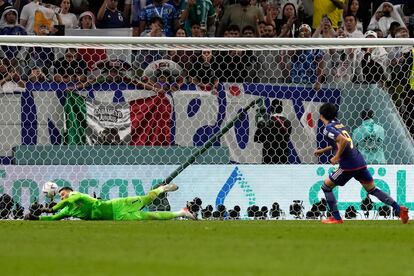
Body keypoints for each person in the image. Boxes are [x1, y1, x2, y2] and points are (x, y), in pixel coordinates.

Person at [314, 103, 409, 224]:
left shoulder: (327, 129)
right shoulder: (338, 123)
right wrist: (323, 151)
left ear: (321, 116)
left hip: (348, 165)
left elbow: (342, 141)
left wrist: (336, 157)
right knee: (372, 190)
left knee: (326, 187)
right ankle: (398, 209)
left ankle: (336, 218)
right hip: (359, 161)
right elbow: (343, 141)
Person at [24, 184, 196, 221]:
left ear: (68, 191)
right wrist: (35, 218)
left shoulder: (76, 195)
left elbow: (69, 200)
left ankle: (161, 189)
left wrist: (48, 208)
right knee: (150, 216)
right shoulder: (69, 210)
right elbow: (54, 218)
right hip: (117, 216)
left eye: (63, 194)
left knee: (147, 198)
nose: (62, 197)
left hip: (117, 204)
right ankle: (182, 212)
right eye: (60, 196)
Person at [254, 99, 292, 164]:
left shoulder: (266, 122)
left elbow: (257, 139)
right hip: (283, 156)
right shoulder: (288, 122)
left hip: (268, 157)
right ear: (282, 109)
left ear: (271, 109)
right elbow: (287, 136)